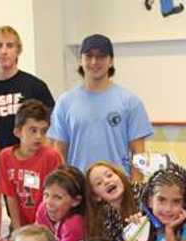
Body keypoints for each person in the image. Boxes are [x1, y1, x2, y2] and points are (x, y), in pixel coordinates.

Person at [48, 34, 153, 179]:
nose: (94, 62)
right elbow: (59, 152)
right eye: (89, 56)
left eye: (101, 56)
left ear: (111, 61)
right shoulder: (65, 102)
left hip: (118, 189)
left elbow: (139, 154)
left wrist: (136, 191)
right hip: (79, 189)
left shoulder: (130, 102)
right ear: (81, 60)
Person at [0, 99, 63, 228]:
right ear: (17, 132)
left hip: (47, 225)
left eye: (43, 131)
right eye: (33, 130)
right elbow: (10, 196)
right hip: (21, 225)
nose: (39, 136)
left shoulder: (51, 157)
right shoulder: (5, 157)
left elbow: (57, 195)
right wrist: (17, 228)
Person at [85, 161, 141, 241]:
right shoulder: (103, 217)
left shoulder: (142, 193)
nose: (106, 181)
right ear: (96, 196)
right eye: (99, 183)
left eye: (109, 175)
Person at [35, 166, 86, 241]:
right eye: (46, 195)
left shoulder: (74, 223)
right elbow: (38, 235)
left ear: (76, 201)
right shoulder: (43, 208)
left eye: (57, 197)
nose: (49, 202)